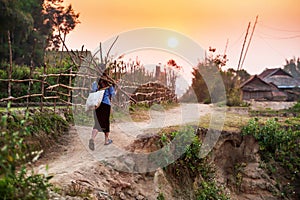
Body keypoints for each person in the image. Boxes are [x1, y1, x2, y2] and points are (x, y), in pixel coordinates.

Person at [89, 74, 115, 150]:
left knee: (97, 123)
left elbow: (93, 91)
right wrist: (114, 87)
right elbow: (113, 95)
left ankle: (92, 139)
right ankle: (106, 140)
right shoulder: (109, 83)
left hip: (97, 105)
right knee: (106, 123)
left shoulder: (95, 83)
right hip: (106, 105)